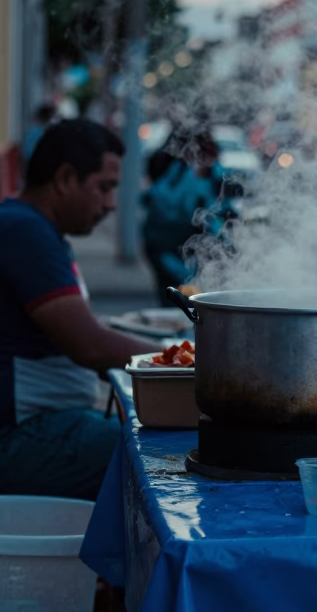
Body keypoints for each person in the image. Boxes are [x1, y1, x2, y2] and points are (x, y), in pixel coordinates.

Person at [0, 120, 158, 499]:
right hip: (20, 434)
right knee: (161, 458)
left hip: (46, 419)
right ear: (65, 178)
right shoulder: (24, 230)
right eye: (104, 188)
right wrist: (180, 360)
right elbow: (89, 346)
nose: (110, 204)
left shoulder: (32, 227)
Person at [141, 129, 230, 301]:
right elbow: (189, 211)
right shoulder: (182, 176)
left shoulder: (199, 175)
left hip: (171, 249)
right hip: (169, 249)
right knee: (186, 299)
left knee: (183, 299)